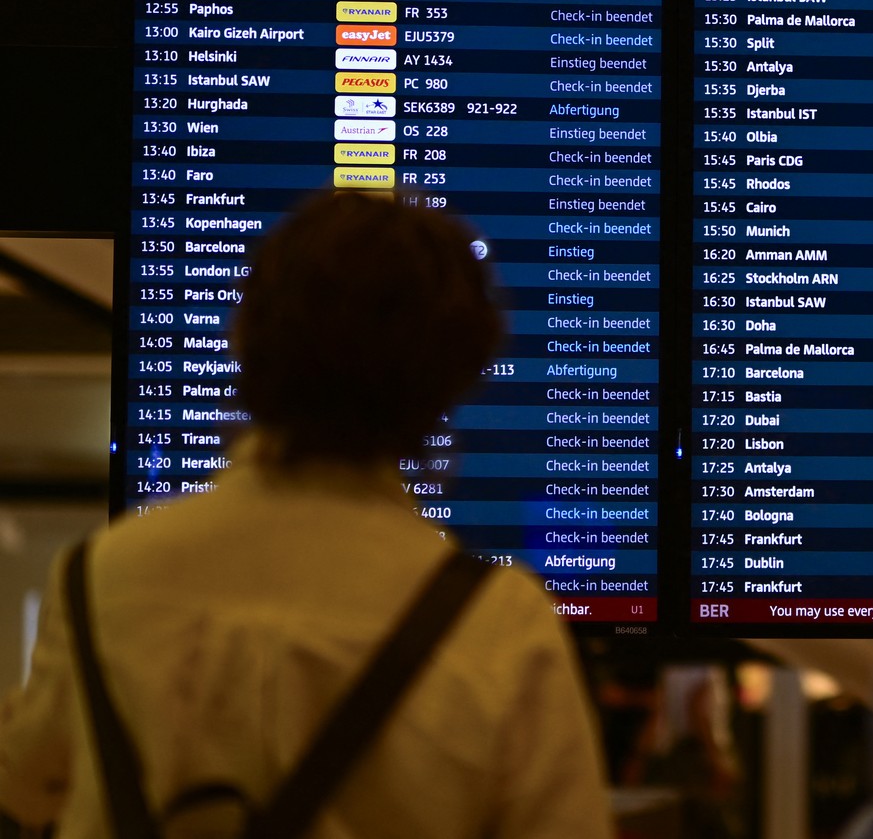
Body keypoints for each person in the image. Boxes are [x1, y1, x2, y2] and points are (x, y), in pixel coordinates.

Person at [0, 191, 614, 837]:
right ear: (454, 378)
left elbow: (24, 786)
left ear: (248, 340)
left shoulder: (99, 576)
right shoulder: (500, 624)